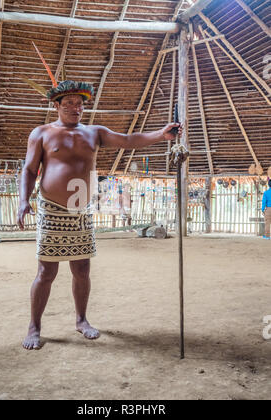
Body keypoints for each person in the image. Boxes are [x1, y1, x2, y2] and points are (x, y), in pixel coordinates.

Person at [18, 65, 182, 350]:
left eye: (79, 104)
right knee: (47, 272)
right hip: (52, 209)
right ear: (56, 105)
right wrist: (23, 200)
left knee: (82, 269)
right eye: (68, 103)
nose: (75, 108)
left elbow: (129, 141)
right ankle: (34, 327)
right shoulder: (42, 133)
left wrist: (161, 135)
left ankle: (81, 320)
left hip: (81, 210)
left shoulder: (95, 132)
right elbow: (30, 170)